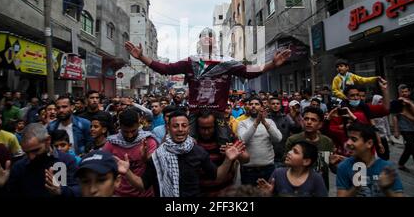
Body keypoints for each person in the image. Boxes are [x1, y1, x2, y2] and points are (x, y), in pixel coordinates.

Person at [125, 28, 291, 142]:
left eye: (210, 35)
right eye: (203, 35)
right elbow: (165, 69)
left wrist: (273, 64)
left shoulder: (227, 62)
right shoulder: (191, 61)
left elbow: (249, 71)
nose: (207, 37)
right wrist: (141, 57)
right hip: (195, 113)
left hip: (218, 113)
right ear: (199, 41)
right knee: (185, 144)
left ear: (216, 41)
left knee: (225, 142)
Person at [114, 111, 244, 197]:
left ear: (188, 128)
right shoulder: (157, 155)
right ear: (169, 128)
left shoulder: (198, 151)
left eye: (184, 125)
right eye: (176, 126)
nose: (180, 129)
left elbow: (217, 176)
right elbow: (142, 185)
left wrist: (228, 159)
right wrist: (127, 172)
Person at [0, 123, 80, 197]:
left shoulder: (66, 161)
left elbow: (78, 191)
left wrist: (61, 191)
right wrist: (3, 186)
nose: (31, 157)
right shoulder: (19, 167)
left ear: (48, 140)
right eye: (27, 152)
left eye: (36, 150)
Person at [337, 122, 404, 197]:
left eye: (354, 139)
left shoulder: (386, 168)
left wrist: (386, 189)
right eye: (348, 138)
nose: (348, 143)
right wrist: (356, 187)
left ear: (369, 143)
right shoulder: (344, 167)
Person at [103, 107, 158, 197]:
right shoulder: (111, 144)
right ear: (119, 126)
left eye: (133, 131)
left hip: (145, 194)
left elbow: (154, 167)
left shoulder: (148, 141)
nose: (129, 135)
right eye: (126, 132)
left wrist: (145, 157)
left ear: (138, 125)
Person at [196, 110, 249, 196]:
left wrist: (234, 151)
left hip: (225, 191)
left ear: (216, 126)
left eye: (210, 128)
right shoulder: (191, 141)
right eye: (202, 128)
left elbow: (246, 159)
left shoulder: (227, 138)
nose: (206, 132)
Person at [285, 107, 338, 190]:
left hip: (320, 187)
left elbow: (330, 166)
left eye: (313, 120)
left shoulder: (327, 142)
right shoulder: (293, 140)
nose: (309, 122)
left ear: (320, 124)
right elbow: (286, 165)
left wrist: (336, 163)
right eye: (306, 119)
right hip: (298, 188)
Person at [237, 97, 282, 186]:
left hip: (268, 168)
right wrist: (256, 123)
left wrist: (264, 122)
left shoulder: (269, 122)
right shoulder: (242, 123)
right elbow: (242, 140)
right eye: (251, 104)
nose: (253, 106)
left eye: (256, 104)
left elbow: (278, 138)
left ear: (261, 107)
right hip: (248, 170)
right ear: (248, 107)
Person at [257, 141, 328, 197]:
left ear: (306, 161)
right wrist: (267, 194)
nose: (289, 153)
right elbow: (269, 193)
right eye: (291, 150)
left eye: (295, 152)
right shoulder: (278, 173)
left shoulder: (316, 178)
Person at [268, 97, 302, 168]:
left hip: (283, 153)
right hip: (269, 154)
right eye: (273, 104)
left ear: (280, 106)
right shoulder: (266, 118)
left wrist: (295, 117)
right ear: (269, 105)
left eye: (277, 104)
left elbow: (296, 130)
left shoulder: (286, 118)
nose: (275, 105)